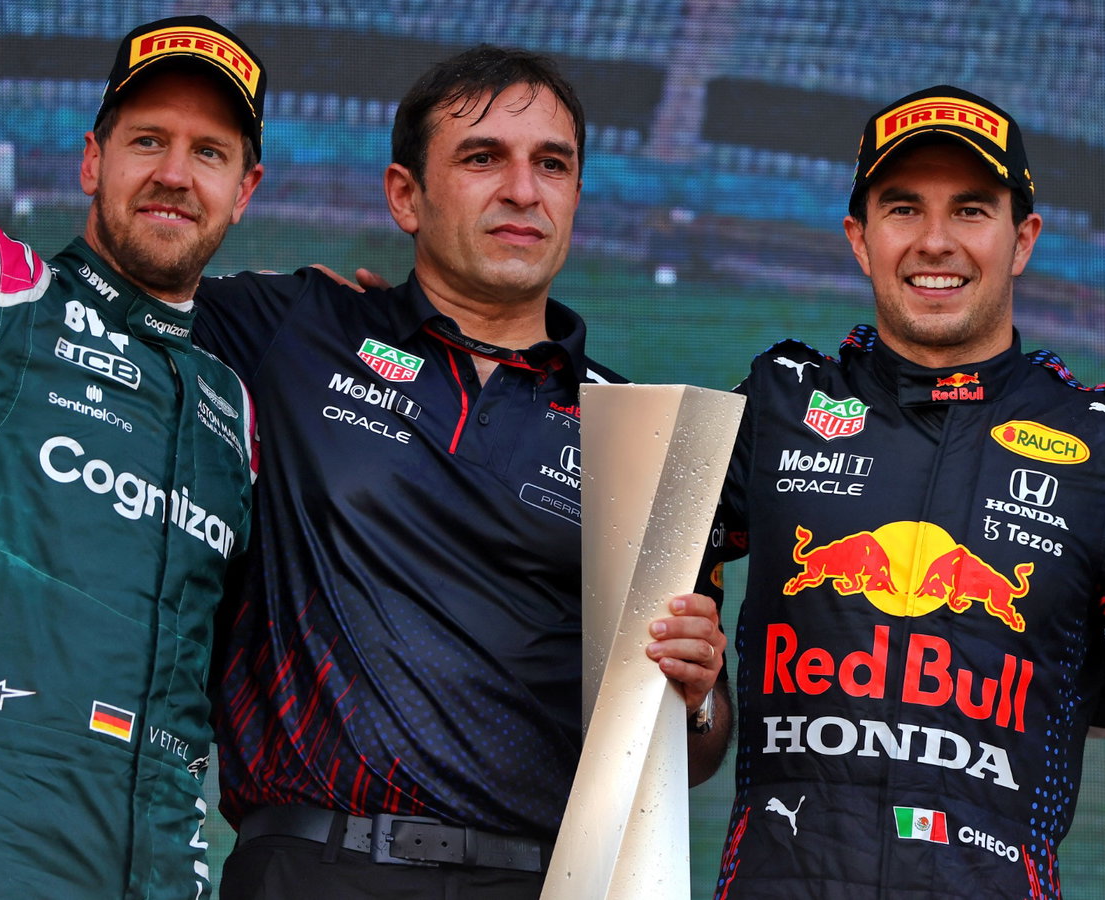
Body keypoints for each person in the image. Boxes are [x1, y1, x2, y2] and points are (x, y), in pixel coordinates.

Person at [192, 46, 728, 898]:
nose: (523, 190)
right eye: (484, 158)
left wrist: (696, 696)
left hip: (534, 880)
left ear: (576, 197)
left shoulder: (646, 435)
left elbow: (689, 756)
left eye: (551, 165)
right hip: (309, 867)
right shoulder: (291, 325)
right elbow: (112, 292)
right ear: (406, 195)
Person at [708, 85, 1105, 899]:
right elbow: (647, 573)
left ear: (1023, 240)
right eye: (904, 209)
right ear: (859, 238)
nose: (935, 242)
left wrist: (1050, 679)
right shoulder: (779, 402)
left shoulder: (1104, 446)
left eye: (972, 211)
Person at [0, 15, 264, 899]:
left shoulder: (240, 408)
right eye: (148, 140)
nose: (175, 174)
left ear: (244, 189)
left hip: (163, 868)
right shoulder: (11, 297)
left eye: (209, 152)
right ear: (90, 161)